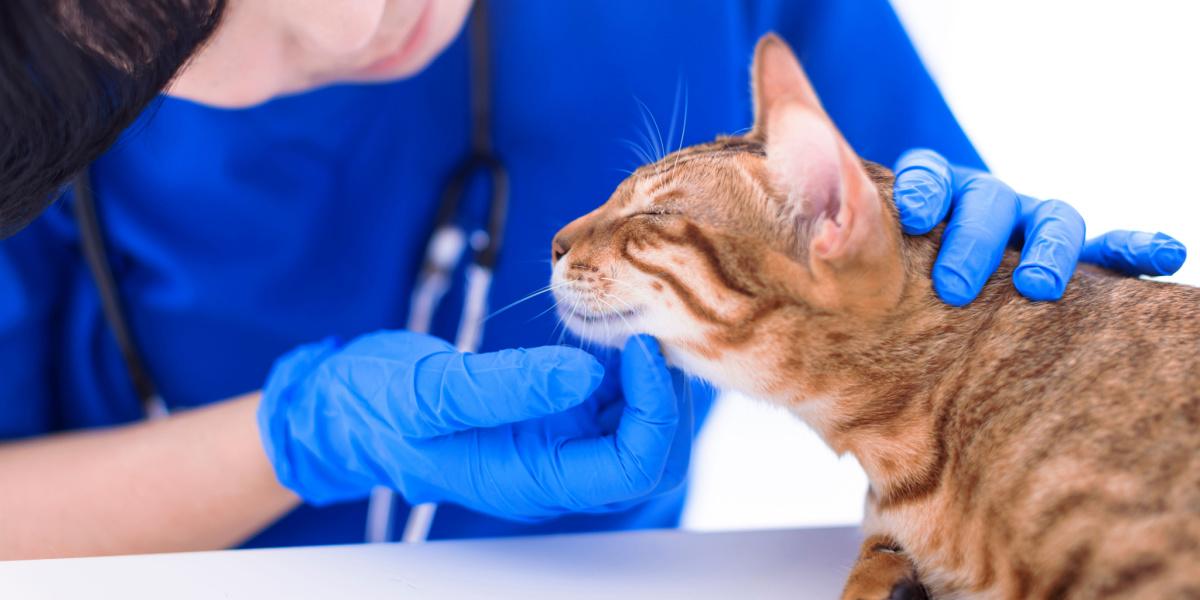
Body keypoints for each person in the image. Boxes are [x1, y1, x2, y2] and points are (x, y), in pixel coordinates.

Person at [0, 0, 1185, 559]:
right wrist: (293, 439)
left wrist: (1031, 348)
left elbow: (905, 300)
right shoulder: (46, 91)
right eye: (196, 29)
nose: (358, 20)